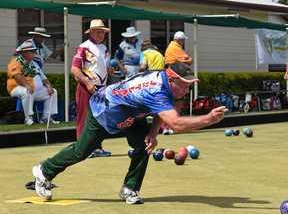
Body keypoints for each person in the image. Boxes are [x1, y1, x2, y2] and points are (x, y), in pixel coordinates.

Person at [31, 62, 227, 204]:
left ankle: (129, 188)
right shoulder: (155, 90)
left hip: (131, 113)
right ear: (172, 79)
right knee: (81, 151)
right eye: (184, 84)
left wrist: (153, 131)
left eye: (189, 84)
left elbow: (165, 109)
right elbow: (175, 124)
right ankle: (44, 171)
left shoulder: (166, 84)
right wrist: (208, 119)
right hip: (104, 110)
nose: (187, 89)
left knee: (144, 145)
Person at [71, 19, 112, 157]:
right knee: (84, 116)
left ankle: (97, 147)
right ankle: (82, 150)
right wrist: (87, 82)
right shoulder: (83, 47)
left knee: (100, 118)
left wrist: (109, 71)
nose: (101, 35)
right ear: (92, 32)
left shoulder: (104, 48)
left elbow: (104, 68)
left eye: (103, 32)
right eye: (98, 32)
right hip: (86, 87)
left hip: (101, 88)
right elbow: (74, 69)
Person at [7, 40, 59, 125]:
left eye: (34, 51)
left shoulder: (34, 63)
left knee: (53, 92)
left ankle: (46, 118)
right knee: (26, 92)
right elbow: (17, 75)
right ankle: (28, 118)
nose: (34, 53)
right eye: (32, 51)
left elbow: (43, 78)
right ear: (24, 52)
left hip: (35, 90)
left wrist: (49, 86)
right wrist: (26, 85)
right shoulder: (15, 61)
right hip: (17, 88)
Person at [163, 31, 193, 134]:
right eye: (183, 40)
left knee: (171, 101)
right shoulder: (175, 48)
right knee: (177, 101)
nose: (184, 42)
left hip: (170, 75)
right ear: (180, 40)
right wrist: (189, 60)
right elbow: (189, 61)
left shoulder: (171, 47)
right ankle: (171, 126)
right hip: (176, 75)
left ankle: (166, 127)